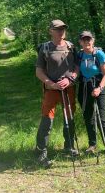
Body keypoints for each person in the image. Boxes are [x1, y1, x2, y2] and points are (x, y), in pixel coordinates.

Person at [35, 19, 80, 167]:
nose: (61, 31)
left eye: (63, 29)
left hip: (69, 89)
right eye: (58, 29)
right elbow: (39, 71)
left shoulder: (71, 46)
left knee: (69, 118)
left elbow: (76, 67)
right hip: (51, 90)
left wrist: (71, 79)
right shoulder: (45, 48)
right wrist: (50, 84)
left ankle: (69, 146)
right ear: (51, 31)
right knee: (47, 119)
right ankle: (41, 152)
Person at [77, 30, 105, 156]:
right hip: (84, 87)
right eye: (84, 39)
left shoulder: (99, 54)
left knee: (101, 118)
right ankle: (92, 144)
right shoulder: (79, 55)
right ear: (80, 42)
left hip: (98, 85)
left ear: (93, 40)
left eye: (89, 39)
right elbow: (76, 71)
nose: (87, 42)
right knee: (88, 117)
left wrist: (99, 88)